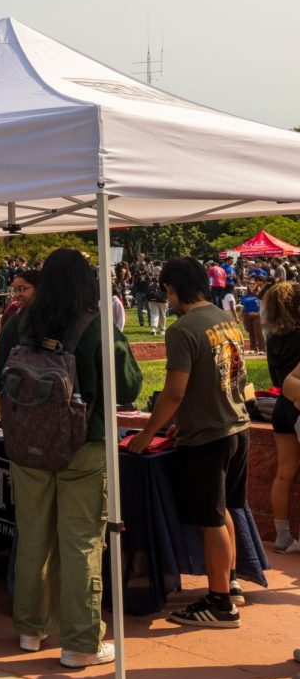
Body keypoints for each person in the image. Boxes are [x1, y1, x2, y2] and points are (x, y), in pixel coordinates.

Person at [0, 249, 142, 668]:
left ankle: (30, 628)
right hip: (83, 444)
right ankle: (80, 642)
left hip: (25, 445)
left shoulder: (18, 321)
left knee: (32, 537)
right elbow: (127, 386)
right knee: (81, 544)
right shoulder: (96, 325)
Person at [128, 257, 249, 628]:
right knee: (223, 509)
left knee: (210, 520)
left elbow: (174, 391)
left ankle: (220, 603)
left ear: (171, 288)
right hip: (236, 427)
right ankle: (228, 582)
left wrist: (147, 435)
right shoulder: (225, 318)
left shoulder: (182, 329)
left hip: (209, 438)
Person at [260, 283, 300, 552]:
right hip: (296, 405)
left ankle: (282, 535)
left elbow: (277, 379)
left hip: (281, 408)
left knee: (283, 474)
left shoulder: (273, 339)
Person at [242, 278, 265, 354]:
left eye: (253, 283)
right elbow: (243, 307)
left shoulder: (260, 295)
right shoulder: (245, 295)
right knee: (251, 333)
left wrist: (258, 313)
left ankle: (262, 349)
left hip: (257, 315)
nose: (251, 285)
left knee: (258, 332)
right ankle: (253, 348)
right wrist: (241, 316)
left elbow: (263, 306)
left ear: (256, 285)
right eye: (250, 283)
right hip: (246, 315)